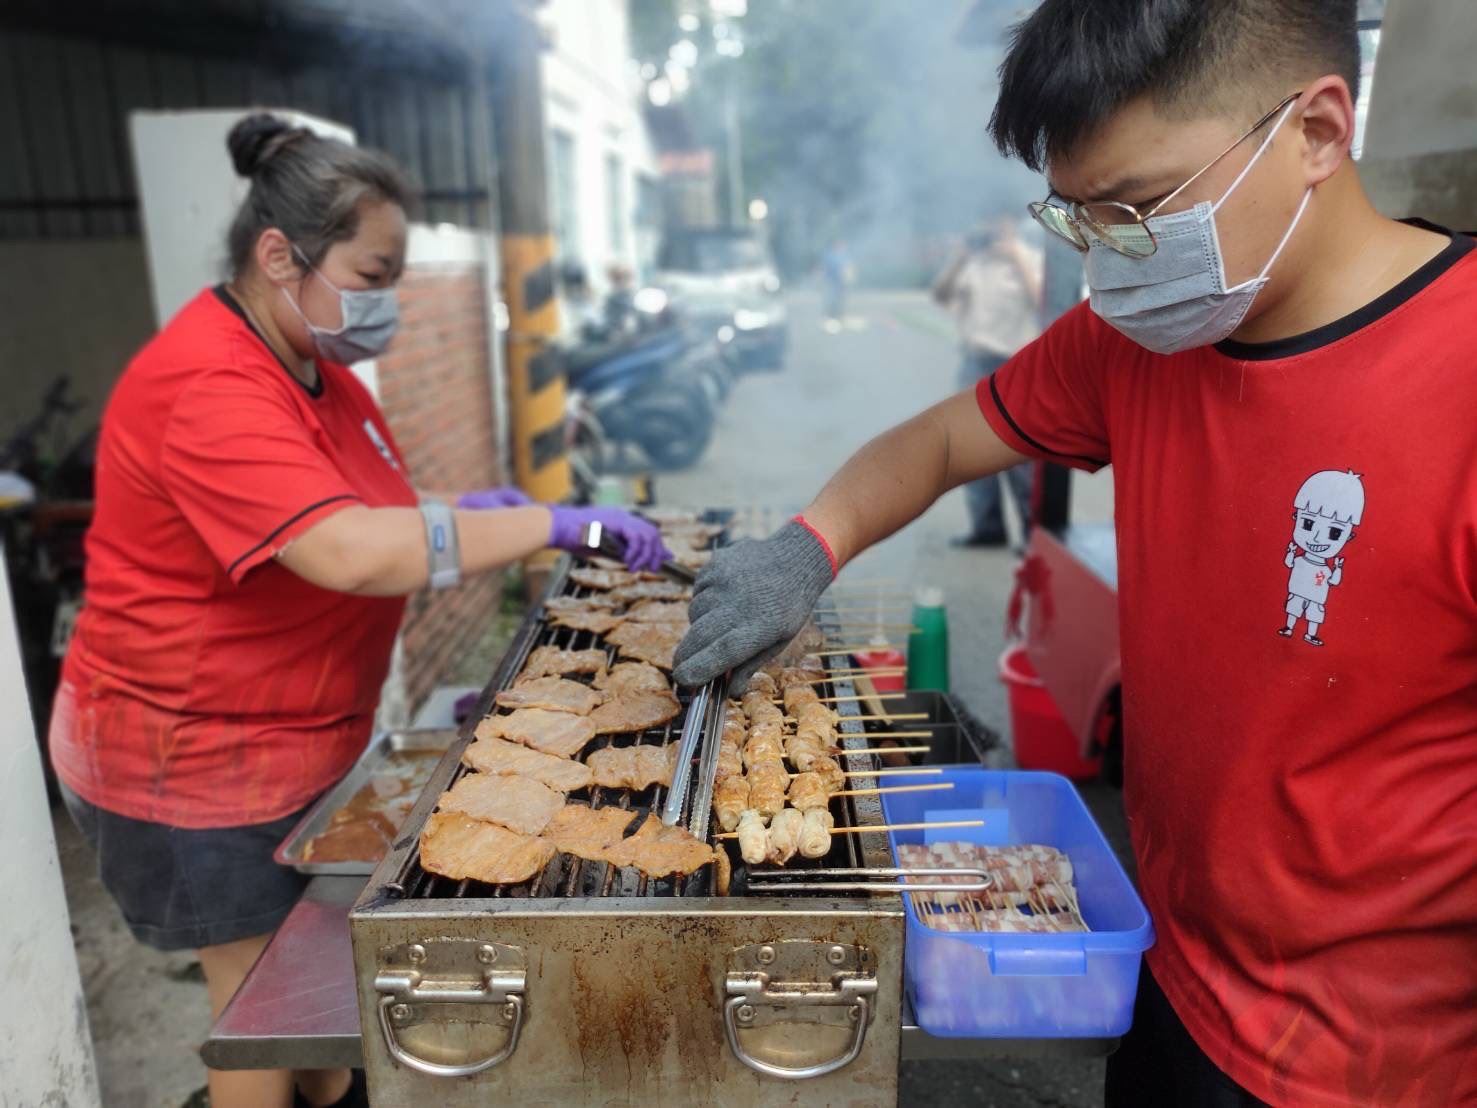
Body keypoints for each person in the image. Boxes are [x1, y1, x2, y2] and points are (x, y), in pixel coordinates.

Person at [673, 2, 1477, 1104]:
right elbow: (947, 435)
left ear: (1319, 132)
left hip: (1376, 1068)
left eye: (1140, 209)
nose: (1111, 258)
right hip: (1160, 972)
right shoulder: (1139, 342)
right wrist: (810, 547)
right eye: (1080, 220)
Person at [48, 114, 666, 1108]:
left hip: (296, 739)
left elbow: (359, 511)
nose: (386, 305)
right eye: (372, 276)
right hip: (190, 757)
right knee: (260, 1023)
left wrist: (467, 513)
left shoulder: (319, 370)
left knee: (325, 1015)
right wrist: (556, 525)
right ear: (278, 254)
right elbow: (344, 552)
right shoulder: (209, 380)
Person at [930, 216, 1042, 545]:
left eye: (997, 220)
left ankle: (1033, 533)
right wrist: (960, 256)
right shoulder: (973, 262)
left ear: (1010, 222)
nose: (990, 227)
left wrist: (1015, 257)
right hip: (974, 364)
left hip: (1014, 365)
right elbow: (940, 295)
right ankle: (987, 528)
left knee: (1019, 455)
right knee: (972, 452)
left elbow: (1043, 302)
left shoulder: (1030, 257)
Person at [820, 238, 852, 329]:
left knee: (840, 299)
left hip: (841, 283)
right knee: (831, 299)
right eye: (841, 245)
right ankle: (829, 316)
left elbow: (848, 268)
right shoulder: (830, 255)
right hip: (832, 282)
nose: (843, 247)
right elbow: (826, 268)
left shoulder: (844, 256)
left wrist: (848, 278)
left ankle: (839, 316)